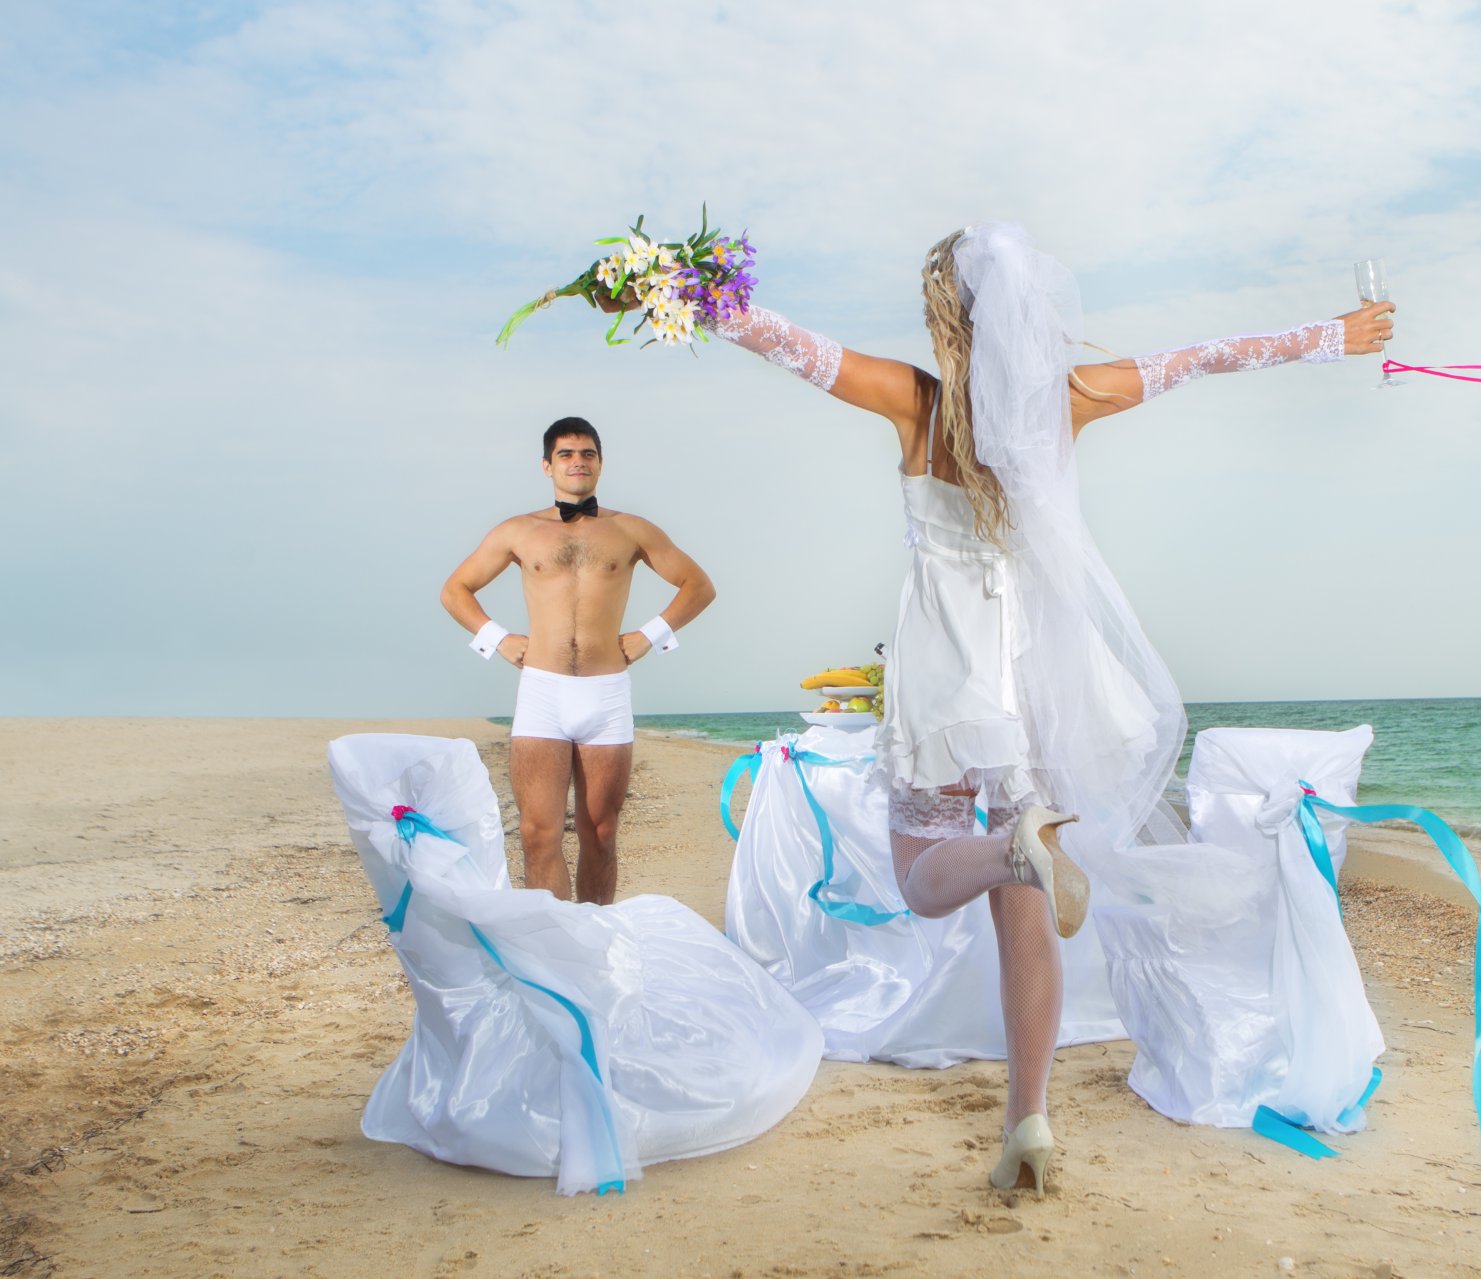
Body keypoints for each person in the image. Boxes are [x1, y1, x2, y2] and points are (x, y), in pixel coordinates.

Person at [602, 224, 1392, 1190]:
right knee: (1026, 911)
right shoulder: (1073, 401)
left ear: (950, 315)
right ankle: (1030, 1120)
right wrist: (1336, 335)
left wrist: (664, 290)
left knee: (926, 876)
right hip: (1046, 677)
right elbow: (1207, 358)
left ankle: (1019, 852)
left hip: (948, 672)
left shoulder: (917, 403)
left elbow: (786, 343)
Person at [439, 417, 716, 904]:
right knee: (536, 833)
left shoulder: (630, 529)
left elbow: (699, 585)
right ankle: (553, 947)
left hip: (605, 693)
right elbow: (455, 590)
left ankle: (595, 943)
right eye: (566, 454)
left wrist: (649, 636)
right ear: (547, 466)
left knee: (602, 833)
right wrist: (498, 640)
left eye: (587, 453)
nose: (577, 462)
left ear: (601, 464)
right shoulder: (518, 531)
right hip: (542, 693)